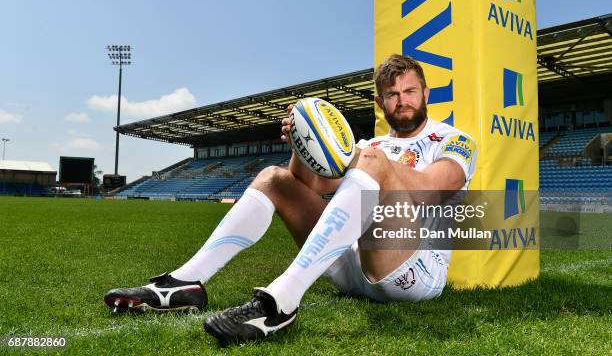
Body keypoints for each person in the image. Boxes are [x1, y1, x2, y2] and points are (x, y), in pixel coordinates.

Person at [104, 54, 477, 344]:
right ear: (380, 102)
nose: (402, 101)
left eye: (410, 91)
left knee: (373, 161)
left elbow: (431, 188)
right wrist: (304, 143)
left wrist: (364, 161)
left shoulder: (453, 140)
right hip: (352, 269)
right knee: (275, 179)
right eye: (392, 95)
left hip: (413, 271)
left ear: (426, 94)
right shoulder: (370, 145)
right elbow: (311, 187)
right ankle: (185, 282)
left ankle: (281, 301)